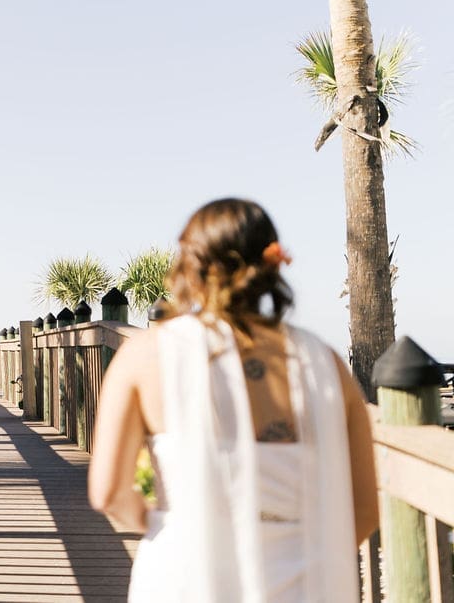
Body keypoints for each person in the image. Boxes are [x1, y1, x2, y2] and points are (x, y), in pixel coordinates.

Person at [88, 198, 378, 602]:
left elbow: (108, 493)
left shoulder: (146, 355)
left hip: (183, 579)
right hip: (302, 584)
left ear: (191, 265)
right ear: (272, 265)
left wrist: (164, 526)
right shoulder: (324, 362)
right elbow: (363, 511)